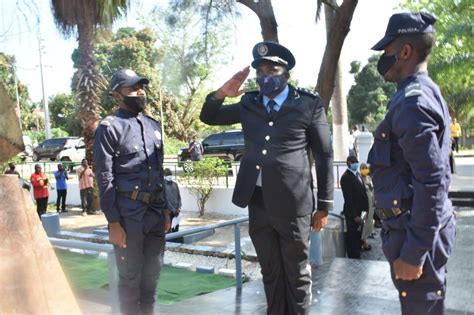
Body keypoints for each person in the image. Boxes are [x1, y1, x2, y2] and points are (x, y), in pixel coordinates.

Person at [200, 41, 334, 314]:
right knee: (270, 271)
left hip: (294, 203)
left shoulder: (308, 104)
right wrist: (222, 93)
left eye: (272, 69)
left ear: (286, 73)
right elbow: (209, 116)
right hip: (258, 201)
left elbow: (324, 154)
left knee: (296, 274)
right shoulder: (249, 103)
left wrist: (324, 205)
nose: (265, 76)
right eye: (260, 71)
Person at [370, 12, 456, 314]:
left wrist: (415, 251)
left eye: (387, 50)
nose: (383, 58)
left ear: (404, 51)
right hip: (411, 227)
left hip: (414, 233)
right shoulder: (419, 93)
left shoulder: (412, 103)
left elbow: (432, 181)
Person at [93, 69, 171, 315]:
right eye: (133, 88)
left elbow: (160, 173)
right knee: (129, 281)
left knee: (152, 278)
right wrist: (113, 221)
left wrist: (167, 209)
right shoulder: (110, 128)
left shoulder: (153, 126)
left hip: (156, 213)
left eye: (141, 87)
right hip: (129, 216)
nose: (140, 92)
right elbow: (105, 177)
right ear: (117, 95)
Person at [340, 155, 367, 259]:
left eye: (357, 162)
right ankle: (353, 258)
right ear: (349, 163)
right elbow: (349, 199)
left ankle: (357, 254)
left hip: (361, 212)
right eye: (354, 162)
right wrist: (355, 215)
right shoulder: (346, 178)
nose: (356, 164)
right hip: (353, 214)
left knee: (358, 236)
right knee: (352, 237)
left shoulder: (358, 175)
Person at [360, 163, 375, 250]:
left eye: (366, 168)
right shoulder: (359, 178)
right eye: (363, 168)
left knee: (369, 222)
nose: (365, 169)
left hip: (371, 204)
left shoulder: (369, 178)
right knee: (364, 222)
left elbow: (372, 189)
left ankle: (365, 239)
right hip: (364, 204)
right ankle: (363, 241)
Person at [163, 168, 182, 233]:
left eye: (170, 175)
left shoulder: (175, 184)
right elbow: (165, 199)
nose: (170, 176)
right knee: (168, 230)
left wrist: (179, 207)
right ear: (165, 176)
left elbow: (179, 197)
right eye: (168, 175)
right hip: (168, 212)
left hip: (176, 211)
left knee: (176, 229)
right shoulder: (163, 186)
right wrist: (173, 209)